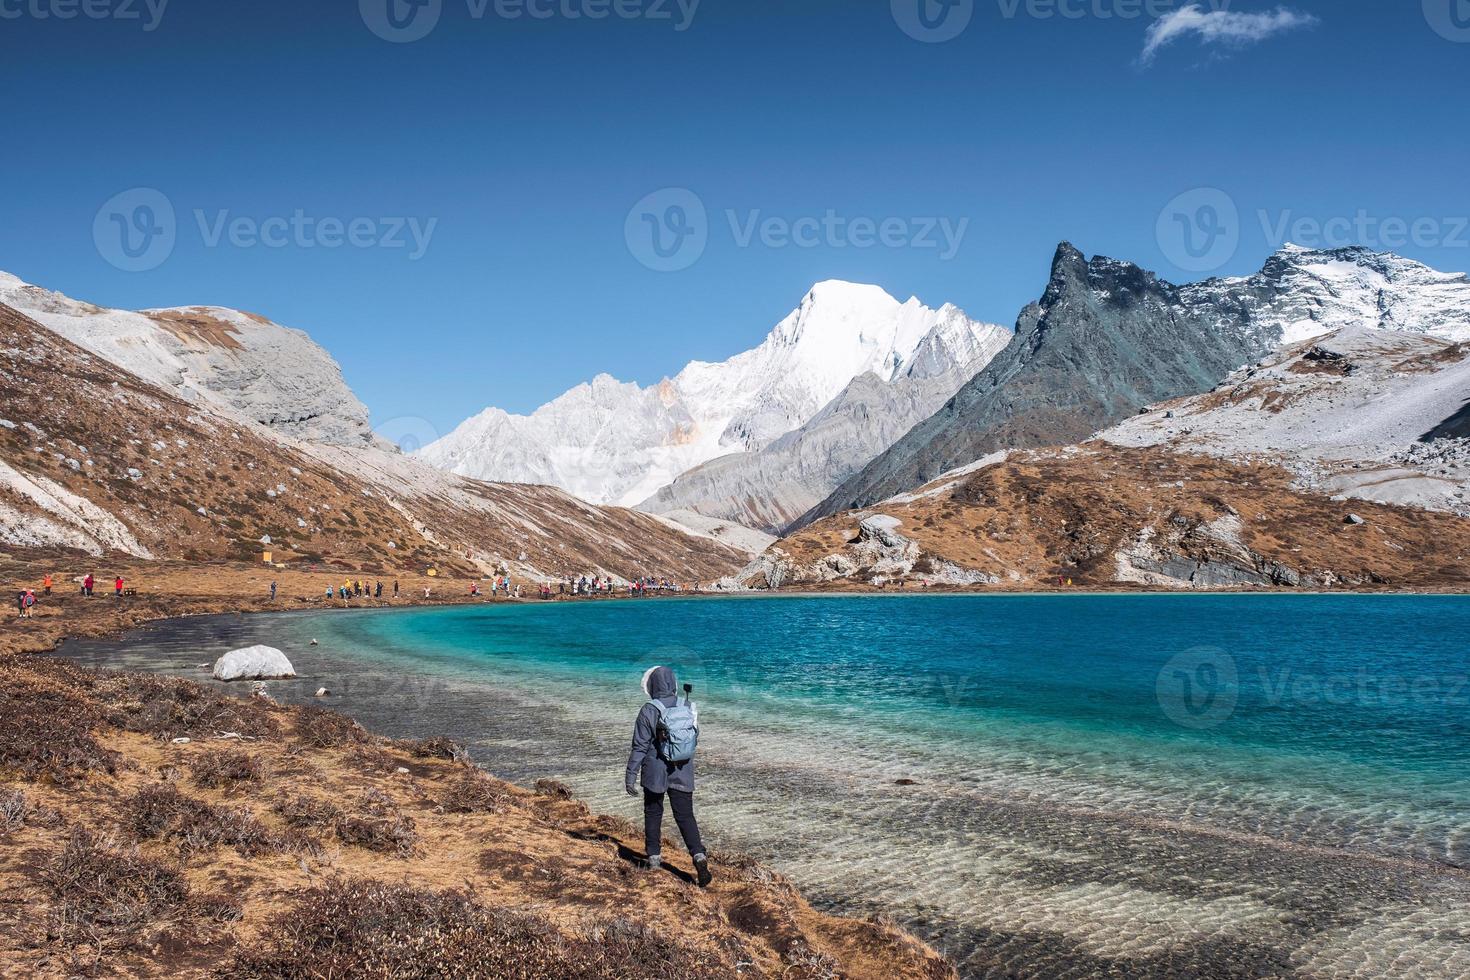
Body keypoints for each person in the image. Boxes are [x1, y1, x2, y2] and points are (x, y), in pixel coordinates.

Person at [624, 665, 712, 887]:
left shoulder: (649, 710)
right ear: (673, 683)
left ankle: (654, 859)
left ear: (652, 685)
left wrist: (631, 773)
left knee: (653, 812)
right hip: (683, 769)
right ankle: (698, 856)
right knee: (685, 816)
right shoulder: (688, 705)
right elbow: (694, 738)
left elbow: (640, 746)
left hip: (655, 771)